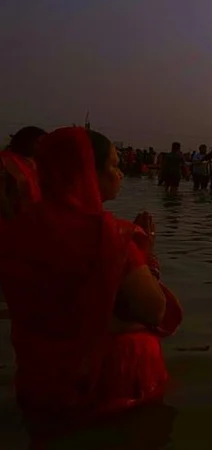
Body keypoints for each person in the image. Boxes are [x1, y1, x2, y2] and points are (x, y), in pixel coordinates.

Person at [0, 127, 182, 437]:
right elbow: (153, 309)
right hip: (113, 389)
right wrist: (146, 256)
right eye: (113, 165)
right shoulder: (110, 237)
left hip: (41, 385)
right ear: (87, 172)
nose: (120, 173)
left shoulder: (15, 234)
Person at [0, 126, 46, 223]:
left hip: (33, 220)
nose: (42, 146)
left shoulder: (37, 162)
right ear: (26, 141)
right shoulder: (4, 160)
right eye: (38, 143)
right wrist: (14, 222)